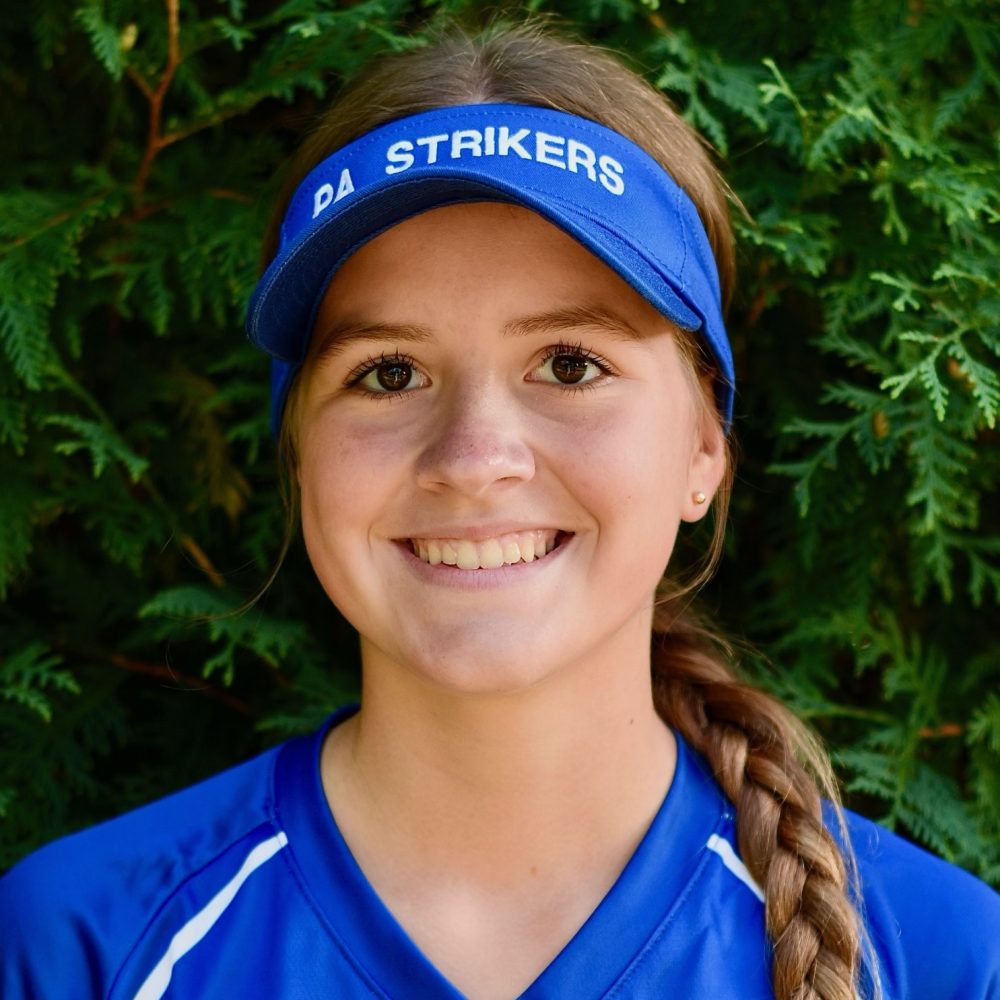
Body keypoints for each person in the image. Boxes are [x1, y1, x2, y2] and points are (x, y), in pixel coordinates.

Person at [2, 20, 998, 1000]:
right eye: (388, 373)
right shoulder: (83, 948)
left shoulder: (940, 961)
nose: (474, 460)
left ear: (705, 445)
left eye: (569, 365)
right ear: (300, 452)